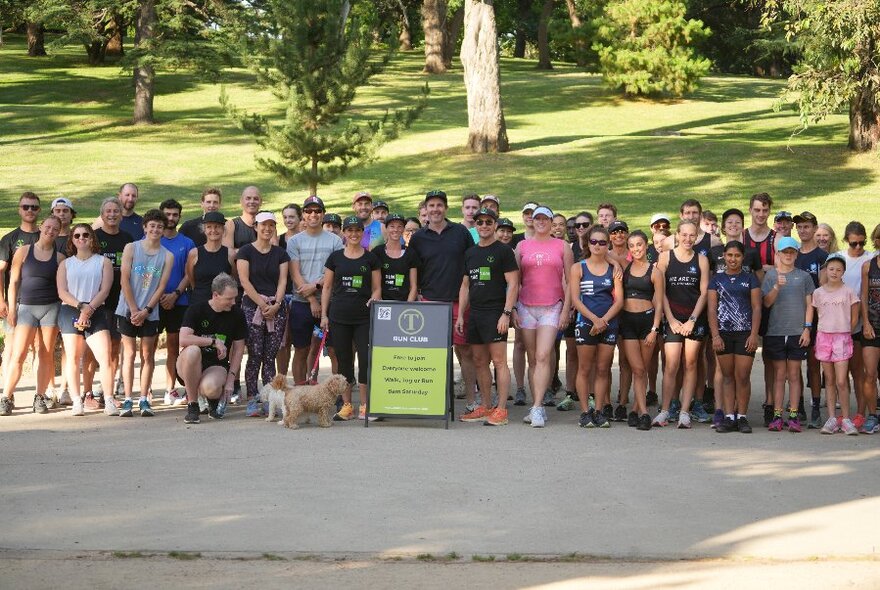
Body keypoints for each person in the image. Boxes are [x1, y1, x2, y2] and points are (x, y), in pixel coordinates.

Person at [408, 190, 476, 410]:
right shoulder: (418, 237)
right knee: (434, 353)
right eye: (431, 206)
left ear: (446, 208)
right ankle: (435, 400)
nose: (435, 209)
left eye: (439, 205)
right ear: (425, 210)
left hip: (458, 300)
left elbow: (471, 264)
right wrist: (416, 293)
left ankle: (471, 401)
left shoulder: (460, 232)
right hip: (430, 301)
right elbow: (414, 269)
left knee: (464, 351)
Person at [456, 208, 519, 426]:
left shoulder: (503, 251)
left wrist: (506, 313)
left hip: (495, 313)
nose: (484, 225)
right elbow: (465, 286)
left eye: (488, 222)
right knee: (480, 361)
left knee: (499, 362)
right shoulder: (470, 253)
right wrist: (462, 316)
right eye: (480, 222)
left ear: (494, 225)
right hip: (475, 314)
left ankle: (501, 410)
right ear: (475, 225)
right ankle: (485, 406)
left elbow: (513, 283)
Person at [0, 216, 64, 416]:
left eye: (55, 229)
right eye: (47, 227)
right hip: (26, 307)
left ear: (58, 232)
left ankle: (40, 396)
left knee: (46, 354)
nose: (50, 231)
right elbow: (14, 282)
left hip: (50, 308)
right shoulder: (23, 251)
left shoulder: (60, 257)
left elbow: (62, 287)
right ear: (41, 227)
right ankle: (6, 397)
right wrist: (11, 309)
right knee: (18, 354)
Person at [516, 205, 573, 428]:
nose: (540, 221)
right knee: (532, 358)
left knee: (543, 355)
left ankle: (538, 407)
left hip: (552, 306)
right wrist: (512, 308)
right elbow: (515, 280)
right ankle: (535, 405)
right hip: (526, 306)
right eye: (537, 218)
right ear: (532, 220)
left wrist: (567, 308)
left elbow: (570, 280)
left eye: (545, 218)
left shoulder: (562, 246)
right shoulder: (522, 246)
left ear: (551, 222)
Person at [320, 216, 381, 421]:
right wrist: (324, 315)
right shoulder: (335, 257)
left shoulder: (370, 258)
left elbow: (377, 288)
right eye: (350, 230)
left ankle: (364, 405)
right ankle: (347, 406)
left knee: (364, 359)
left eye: (357, 230)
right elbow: (327, 287)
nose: (354, 234)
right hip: (339, 317)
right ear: (344, 233)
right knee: (344, 361)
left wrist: (374, 297)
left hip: (364, 317)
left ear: (362, 232)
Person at [115, 210, 173, 417]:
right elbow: (124, 280)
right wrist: (133, 309)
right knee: (129, 354)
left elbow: (161, 286)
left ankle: (144, 399)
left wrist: (146, 310)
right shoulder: (131, 248)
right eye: (152, 226)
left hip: (150, 311)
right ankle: (128, 399)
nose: (155, 230)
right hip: (127, 309)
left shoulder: (167, 256)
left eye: (159, 226)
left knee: (147, 355)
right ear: (145, 227)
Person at [653, 221, 710, 429]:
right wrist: (671, 319)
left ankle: (685, 412)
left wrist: (692, 320)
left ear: (696, 237)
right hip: (673, 319)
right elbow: (661, 291)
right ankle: (665, 410)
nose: (687, 239)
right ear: (677, 235)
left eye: (691, 235)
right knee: (671, 364)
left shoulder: (702, 260)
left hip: (694, 319)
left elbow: (704, 293)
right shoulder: (665, 257)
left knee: (692, 363)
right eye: (684, 235)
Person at [57, 223, 118, 416]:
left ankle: (108, 399)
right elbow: (62, 291)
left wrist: (89, 308)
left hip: (96, 310)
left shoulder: (102, 262)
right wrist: (81, 307)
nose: (81, 238)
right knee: (74, 358)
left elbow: (105, 290)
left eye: (85, 235)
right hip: (71, 310)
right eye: (77, 236)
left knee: (105, 357)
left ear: (92, 238)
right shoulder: (66, 264)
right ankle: (77, 401)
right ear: (72, 240)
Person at [237, 211, 290, 417]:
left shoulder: (280, 254)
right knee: (255, 355)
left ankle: (269, 399)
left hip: (276, 309)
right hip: (252, 308)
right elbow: (244, 281)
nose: (267, 229)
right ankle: (252, 398)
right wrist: (262, 304)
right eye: (263, 225)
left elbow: (283, 281)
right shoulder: (245, 251)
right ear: (256, 228)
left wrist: (276, 304)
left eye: (271, 225)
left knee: (270, 357)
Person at [570, 225, 623, 429]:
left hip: (608, 324)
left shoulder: (614, 268)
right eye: (594, 242)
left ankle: (599, 411)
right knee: (584, 368)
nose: (598, 246)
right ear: (587, 243)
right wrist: (594, 320)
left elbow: (619, 301)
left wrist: (604, 321)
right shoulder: (578, 268)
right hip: (586, 323)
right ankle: (585, 412)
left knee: (603, 369)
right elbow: (576, 299)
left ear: (607, 244)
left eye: (602, 242)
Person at [177, 273, 247, 424]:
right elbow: (183, 339)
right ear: (216, 295)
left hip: (216, 364)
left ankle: (207, 396)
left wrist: (230, 380)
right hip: (189, 363)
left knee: (211, 388)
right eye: (229, 299)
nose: (233, 302)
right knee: (193, 350)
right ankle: (193, 405)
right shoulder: (196, 309)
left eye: (235, 297)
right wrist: (213, 341)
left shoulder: (237, 314)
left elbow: (239, 349)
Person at [761, 236, 815, 432]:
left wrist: (807, 328)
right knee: (779, 375)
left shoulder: (804, 277)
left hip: (797, 332)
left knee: (794, 374)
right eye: (785, 252)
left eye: (792, 252)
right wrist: (777, 287)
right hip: (775, 332)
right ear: (778, 254)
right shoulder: (771, 276)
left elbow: (810, 305)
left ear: (796, 254)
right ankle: (777, 415)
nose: (789, 255)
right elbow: (766, 303)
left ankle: (793, 415)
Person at [83, 198, 134, 402]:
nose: (112, 214)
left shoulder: (128, 239)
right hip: (96, 301)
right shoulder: (94, 238)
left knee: (113, 348)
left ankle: (107, 392)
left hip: (119, 300)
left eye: (116, 211)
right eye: (108, 211)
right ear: (102, 215)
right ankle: (87, 393)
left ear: (121, 215)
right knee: (91, 350)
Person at [287, 196, 343, 384]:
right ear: (303, 214)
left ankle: (335, 395)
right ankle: (300, 393)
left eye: (317, 211)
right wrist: (312, 300)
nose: (313, 215)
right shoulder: (294, 241)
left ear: (323, 214)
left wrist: (317, 286)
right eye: (309, 211)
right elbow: (295, 274)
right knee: (301, 349)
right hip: (302, 303)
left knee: (334, 350)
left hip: (331, 302)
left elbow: (335, 272)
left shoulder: (335, 241)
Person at [708, 241, 761, 434]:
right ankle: (730, 416)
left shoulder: (751, 279)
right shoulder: (716, 279)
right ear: (724, 256)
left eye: (737, 256)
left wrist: (754, 334)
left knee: (743, 376)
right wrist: (715, 335)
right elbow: (712, 308)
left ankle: (743, 416)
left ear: (743, 257)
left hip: (744, 333)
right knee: (728, 377)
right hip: (723, 334)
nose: (733, 259)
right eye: (729, 255)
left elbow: (756, 307)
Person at [618, 230, 663, 430]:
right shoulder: (625, 268)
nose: (636, 248)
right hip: (627, 322)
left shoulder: (655, 271)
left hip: (647, 323)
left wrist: (654, 329)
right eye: (632, 245)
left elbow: (659, 304)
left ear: (646, 246)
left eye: (639, 244)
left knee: (642, 369)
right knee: (636, 368)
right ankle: (643, 412)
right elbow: (606, 254)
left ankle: (637, 409)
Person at [812, 254, 860, 435]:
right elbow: (818, 315)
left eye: (838, 270)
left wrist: (846, 329)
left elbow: (854, 316)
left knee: (841, 380)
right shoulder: (818, 293)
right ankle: (832, 418)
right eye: (831, 269)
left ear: (843, 272)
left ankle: (846, 419)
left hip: (842, 338)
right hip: (824, 337)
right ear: (826, 270)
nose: (834, 272)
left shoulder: (848, 291)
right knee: (830, 380)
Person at [835, 221, 875, 430]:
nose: (858, 247)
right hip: (837, 324)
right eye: (853, 244)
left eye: (861, 243)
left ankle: (861, 412)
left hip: (859, 324)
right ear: (846, 241)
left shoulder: (870, 259)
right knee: (841, 373)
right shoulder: (838, 258)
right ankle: (845, 414)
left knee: (859, 371)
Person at [0, 192, 42, 390]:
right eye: (26, 207)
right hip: (15, 300)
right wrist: (2, 300)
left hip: (41, 300)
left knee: (39, 347)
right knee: (11, 346)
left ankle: (40, 394)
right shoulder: (10, 238)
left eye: (34, 207)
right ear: (19, 209)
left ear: (39, 210)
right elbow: (1, 271)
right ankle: (7, 394)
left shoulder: (45, 235)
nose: (30, 210)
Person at [157, 199, 196, 405]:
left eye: (174, 215)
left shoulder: (187, 243)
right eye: (167, 214)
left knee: (173, 346)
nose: (170, 218)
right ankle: (146, 392)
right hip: (154, 303)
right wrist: (159, 295)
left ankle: (170, 389)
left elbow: (189, 274)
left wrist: (175, 295)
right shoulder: (152, 239)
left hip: (179, 302)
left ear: (179, 217)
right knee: (148, 347)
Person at [793, 211, 828, 427]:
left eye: (807, 226)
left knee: (814, 365)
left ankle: (816, 406)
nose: (803, 230)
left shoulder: (822, 257)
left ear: (815, 229)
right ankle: (800, 406)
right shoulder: (792, 253)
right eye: (800, 227)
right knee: (793, 366)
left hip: (815, 318)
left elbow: (824, 290)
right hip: (793, 315)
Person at [277, 203, 303, 378]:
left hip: (302, 294)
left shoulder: (305, 239)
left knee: (301, 343)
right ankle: (282, 379)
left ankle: (303, 379)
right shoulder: (278, 240)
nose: (288, 220)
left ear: (300, 218)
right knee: (283, 343)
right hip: (283, 294)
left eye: (292, 216)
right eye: (285, 217)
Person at [186, 212, 234, 307]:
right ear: (204, 230)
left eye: (217, 227)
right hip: (199, 304)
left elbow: (233, 279)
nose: (213, 230)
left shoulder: (231, 254)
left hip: (222, 305)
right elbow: (191, 279)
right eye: (209, 227)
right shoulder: (194, 253)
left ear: (223, 230)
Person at [859, 223, 880, 434]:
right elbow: (863, 296)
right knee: (869, 374)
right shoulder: (868, 266)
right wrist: (865, 322)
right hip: (872, 328)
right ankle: (872, 415)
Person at [373, 213, 419, 302]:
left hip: (404, 304)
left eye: (400, 226)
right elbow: (374, 285)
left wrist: (407, 306)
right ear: (386, 228)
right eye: (392, 226)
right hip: (383, 303)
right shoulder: (377, 252)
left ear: (403, 229)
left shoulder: (411, 253)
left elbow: (413, 286)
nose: (396, 230)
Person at [223, 186, 262, 256]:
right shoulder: (231, 225)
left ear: (261, 202)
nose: (252, 201)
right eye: (248, 198)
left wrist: (238, 250)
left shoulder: (267, 224)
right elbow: (227, 254)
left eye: (256, 199)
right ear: (241, 201)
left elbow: (273, 251)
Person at [743, 192, 775, 271]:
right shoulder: (741, 236)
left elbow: (786, 268)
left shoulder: (777, 238)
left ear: (769, 211)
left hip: (771, 283)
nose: (761, 214)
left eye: (765, 210)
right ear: (750, 210)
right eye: (757, 210)